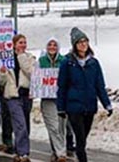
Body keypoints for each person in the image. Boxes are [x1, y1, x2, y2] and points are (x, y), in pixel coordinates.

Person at [57, 27, 113, 162]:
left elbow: (100, 85)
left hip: (89, 106)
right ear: (74, 45)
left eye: (85, 41)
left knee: (83, 138)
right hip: (74, 106)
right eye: (80, 42)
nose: (83, 44)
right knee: (80, 138)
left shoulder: (94, 63)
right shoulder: (67, 63)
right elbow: (62, 86)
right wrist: (61, 107)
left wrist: (107, 104)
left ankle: (79, 153)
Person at [0, 34, 36, 162]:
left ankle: (20, 148)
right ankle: (23, 153)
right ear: (14, 44)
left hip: (26, 95)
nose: (23, 45)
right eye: (20, 42)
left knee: (25, 124)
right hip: (13, 96)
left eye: (24, 42)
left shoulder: (30, 58)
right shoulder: (6, 58)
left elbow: (31, 73)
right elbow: (1, 81)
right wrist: (2, 73)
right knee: (20, 125)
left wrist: (21, 57)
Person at [37, 38, 68, 162]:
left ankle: (56, 150)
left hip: (61, 98)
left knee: (61, 127)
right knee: (53, 126)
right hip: (47, 98)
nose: (52, 47)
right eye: (49, 44)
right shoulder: (41, 61)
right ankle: (61, 153)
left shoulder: (64, 61)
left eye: (55, 45)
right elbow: (36, 78)